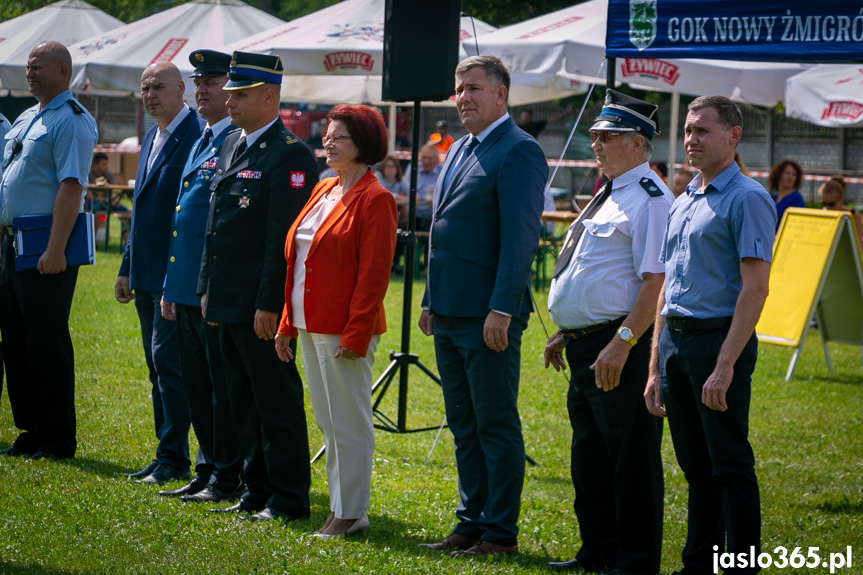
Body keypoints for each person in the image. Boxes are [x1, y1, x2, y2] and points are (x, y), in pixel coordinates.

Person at [417, 55, 547, 557]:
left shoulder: (518, 150)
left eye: (473, 88)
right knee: (464, 424)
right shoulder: (456, 149)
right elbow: (442, 234)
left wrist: (501, 308)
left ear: (501, 95)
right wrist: (430, 299)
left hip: (487, 315)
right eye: (458, 89)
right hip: (449, 311)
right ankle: (469, 523)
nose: (463, 97)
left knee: (494, 424)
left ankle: (499, 533)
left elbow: (520, 240)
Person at [645, 95, 775, 575]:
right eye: (687, 130)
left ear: (733, 136)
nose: (690, 139)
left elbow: (756, 289)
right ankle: (698, 564)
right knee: (696, 469)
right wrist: (657, 364)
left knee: (729, 467)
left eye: (702, 130)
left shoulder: (748, 198)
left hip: (719, 341)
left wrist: (724, 365)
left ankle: (741, 567)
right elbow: (666, 288)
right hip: (677, 344)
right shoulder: (684, 200)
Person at [543, 90, 672, 575]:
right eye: (594, 135)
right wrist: (567, 330)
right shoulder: (611, 191)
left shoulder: (652, 199)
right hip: (586, 344)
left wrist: (622, 342)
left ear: (638, 143)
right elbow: (591, 268)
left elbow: (654, 281)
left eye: (607, 136)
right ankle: (597, 551)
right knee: (590, 458)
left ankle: (635, 561)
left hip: (622, 345)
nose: (595, 143)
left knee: (630, 459)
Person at [198, 51, 318, 522]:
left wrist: (269, 304)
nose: (228, 101)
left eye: (239, 94)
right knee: (240, 400)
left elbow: (280, 240)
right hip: (225, 296)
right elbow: (215, 224)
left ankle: (288, 498)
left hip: (258, 303)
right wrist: (207, 285)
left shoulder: (290, 154)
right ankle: (256, 490)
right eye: (228, 92)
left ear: (269, 97)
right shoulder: (230, 143)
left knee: (274, 400)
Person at [275, 104, 397, 537]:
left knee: (348, 421)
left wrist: (357, 332)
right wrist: (288, 322)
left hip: (344, 328)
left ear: (363, 145)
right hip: (308, 322)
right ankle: (340, 507)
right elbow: (298, 261)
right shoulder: (323, 188)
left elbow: (374, 276)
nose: (327, 142)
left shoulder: (376, 198)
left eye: (338, 136)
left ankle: (351, 513)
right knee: (329, 420)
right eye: (326, 134)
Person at [0, 42, 97, 460]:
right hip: (12, 242)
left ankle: (57, 437)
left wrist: (56, 248)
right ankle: (31, 430)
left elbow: (71, 186)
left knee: (45, 341)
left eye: (38, 66)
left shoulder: (71, 121)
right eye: (27, 66)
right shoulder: (25, 117)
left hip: (45, 245)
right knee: (16, 340)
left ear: (62, 71)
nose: (30, 72)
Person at [157, 50, 244, 503]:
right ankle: (208, 468)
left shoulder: (235, 140)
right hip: (186, 284)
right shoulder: (200, 139)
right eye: (200, 81)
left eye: (214, 81)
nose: (204, 89)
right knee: (195, 382)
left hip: (211, 289)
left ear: (230, 91)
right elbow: (182, 219)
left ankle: (226, 473)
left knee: (217, 386)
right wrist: (172, 287)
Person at [114, 61, 205, 485]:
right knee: (156, 366)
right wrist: (125, 267)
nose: (150, 94)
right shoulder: (151, 136)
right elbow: (142, 209)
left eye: (158, 86)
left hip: (176, 279)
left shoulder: (197, 136)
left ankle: (175, 458)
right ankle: (166, 452)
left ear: (181, 89)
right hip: (145, 274)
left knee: (171, 365)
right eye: (145, 87)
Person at [403, 143, 441, 230]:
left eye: (430, 158)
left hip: (433, 218)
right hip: (413, 215)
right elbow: (403, 189)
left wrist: (437, 199)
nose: (426, 161)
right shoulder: (412, 168)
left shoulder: (442, 171)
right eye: (424, 157)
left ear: (437, 160)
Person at [819, 176, 863, 249]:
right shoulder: (822, 213)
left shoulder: (854, 216)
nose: (827, 207)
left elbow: (858, 246)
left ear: (841, 198)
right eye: (823, 203)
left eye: (831, 204)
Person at [767, 159, 806, 229]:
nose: (790, 177)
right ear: (778, 174)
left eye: (794, 174)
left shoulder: (796, 199)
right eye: (787, 173)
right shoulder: (772, 198)